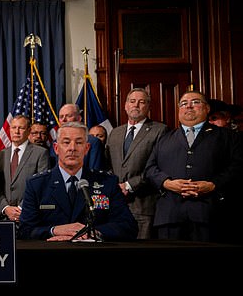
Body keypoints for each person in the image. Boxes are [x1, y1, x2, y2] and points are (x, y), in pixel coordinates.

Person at [145, 90, 243, 242]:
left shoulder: (228, 137)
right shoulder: (164, 139)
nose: (189, 106)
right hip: (170, 216)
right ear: (179, 110)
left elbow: (237, 168)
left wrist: (213, 185)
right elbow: (150, 169)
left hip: (210, 214)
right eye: (184, 104)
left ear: (207, 108)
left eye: (195, 102)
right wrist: (167, 183)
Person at [18, 122, 138, 241]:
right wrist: (53, 231)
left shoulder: (107, 182)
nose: (72, 148)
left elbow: (128, 226)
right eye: (66, 142)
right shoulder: (37, 185)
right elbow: (25, 230)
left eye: (79, 142)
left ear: (86, 149)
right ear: (56, 148)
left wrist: (92, 232)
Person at [107, 88, 168, 239]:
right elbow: (107, 164)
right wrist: (114, 187)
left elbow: (159, 168)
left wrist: (129, 185)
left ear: (148, 107)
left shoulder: (160, 130)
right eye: (132, 101)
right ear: (125, 106)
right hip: (115, 205)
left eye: (141, 102)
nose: (136, 105)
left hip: (143, 205)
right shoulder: (115, 132)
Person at [0, 115, 50, 222]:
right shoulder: (0, 155)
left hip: (28, 216)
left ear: (29, 131)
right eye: (13, 128)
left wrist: (21, 209)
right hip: (4, 217)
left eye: (21, 128)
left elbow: (41, 185)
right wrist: (6, 208)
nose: (16, 131)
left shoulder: (40, 153)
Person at [51, 103, 104, 170]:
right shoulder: (55, 142)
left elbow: (94, 171)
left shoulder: (93, 142)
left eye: (68, 116)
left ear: (79, 118)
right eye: (61, 117)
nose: (64, 120)